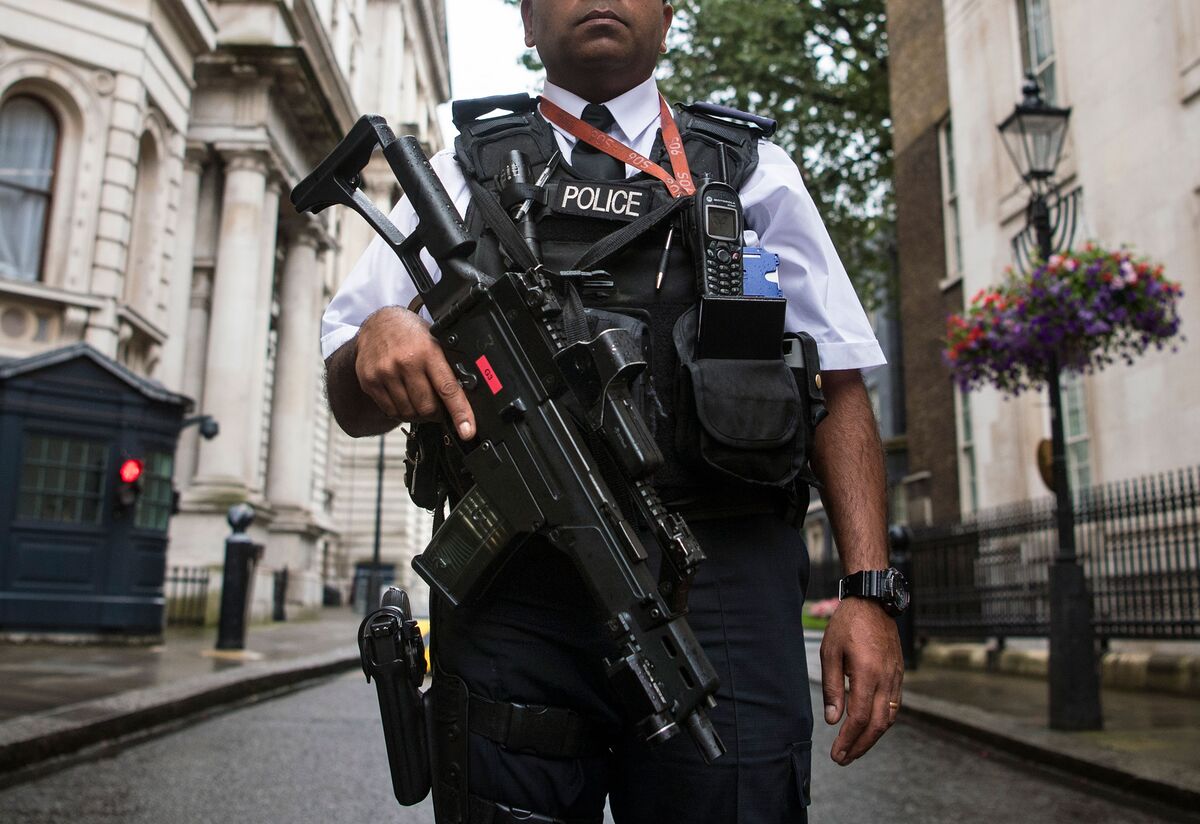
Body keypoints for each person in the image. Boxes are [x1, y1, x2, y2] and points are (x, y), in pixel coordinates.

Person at [321, 2, 904, 821]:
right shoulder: (459, 176)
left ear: (669, 18)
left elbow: (838, 386)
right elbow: (349, 392)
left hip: (721, 588)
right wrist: (377, 336)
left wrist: (870, 592)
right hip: (514, 590)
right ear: (527, 24)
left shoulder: (751, 173)